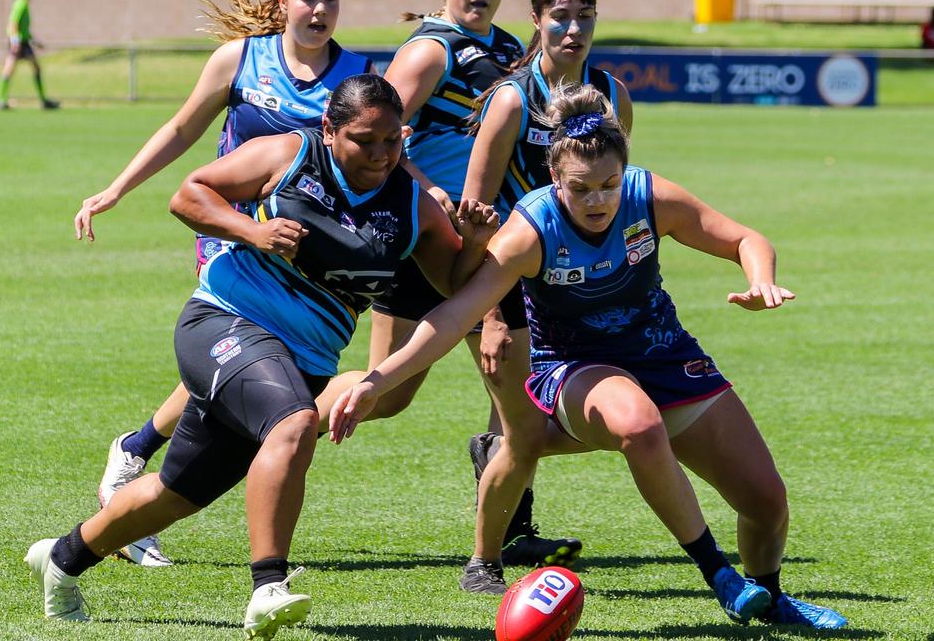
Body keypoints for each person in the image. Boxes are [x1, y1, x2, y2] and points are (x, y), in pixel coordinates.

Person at [330, 83, 848, 630]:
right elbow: (452, 317)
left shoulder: (649, 197)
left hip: (663, 353)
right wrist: (376, 381)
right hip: (574, 366)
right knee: (638, 424)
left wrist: (760, 281)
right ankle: (719, 574)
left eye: (608, 185)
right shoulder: (530, 229)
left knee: (765, 500)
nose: (599, 200)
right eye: (582, 189)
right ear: (556, 179)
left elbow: (745, 239)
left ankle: (770, 598)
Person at [27, 74, 501, 637]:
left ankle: (61, 557)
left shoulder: (413, 204)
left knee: (175, 493)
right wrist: (249, 231)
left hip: (303, 359)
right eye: (362, 140)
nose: (379, 155)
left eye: (391, 141)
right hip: (224, 320)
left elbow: (452, 283)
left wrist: (471, 241)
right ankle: (267, 587)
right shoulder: (289, 155)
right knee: (297, 421)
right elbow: (189, 193)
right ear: (329, 130)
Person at [74, 0, 373, 566]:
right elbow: (183, 127)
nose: (320, 10)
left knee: (259, 362)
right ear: (281, 2)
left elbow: (387, 158)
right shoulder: (241, 60)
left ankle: (139, 452)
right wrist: (117, 188)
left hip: (302, 258)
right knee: (246, 347)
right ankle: (139, 463)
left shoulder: (357, 77)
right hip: (232, 236)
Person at [316, 0, 582, 576]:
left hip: (485, 241)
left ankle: (511, 525)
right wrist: (438, 197)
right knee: (391, 391)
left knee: (513, 377)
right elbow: (375, 143)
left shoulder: (508, 49)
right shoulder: (431, 51)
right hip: (423, 242)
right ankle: (272, 416)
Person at [454, 0, 634, 592]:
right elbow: (474, 210)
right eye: (561, 16)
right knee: (519, 425)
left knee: (531, 419)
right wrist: (493, 316)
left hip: (577, 282)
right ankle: (485, 558)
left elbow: (617, 196)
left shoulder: (611, 93)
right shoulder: (512, 98)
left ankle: (508, 509)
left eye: (585, 15)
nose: (574, 28)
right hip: (511, 279)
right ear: (536, 20)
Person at [0, 0, 59, 110]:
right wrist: (15, 41)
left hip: (23, 42)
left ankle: (43, 100)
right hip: (18, 43)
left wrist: (34, 40)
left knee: (35, 67)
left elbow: (24, 28)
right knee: (9, 69)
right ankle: (1, 100)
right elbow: (12, 24)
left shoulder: (24, 4)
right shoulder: (20, 4)